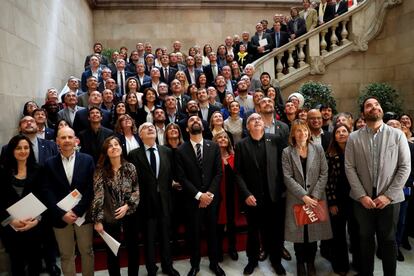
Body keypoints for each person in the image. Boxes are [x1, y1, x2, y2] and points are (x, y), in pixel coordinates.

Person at [345, 97, 411, 276]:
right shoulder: (353, 137)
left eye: (377, 104)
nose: (374, 107)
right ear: (363, 113)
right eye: (369, 105)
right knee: (365, 240)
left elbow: (405, 167)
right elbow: (349, 167)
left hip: (390, 199)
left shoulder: (397, 135)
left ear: (381, 109)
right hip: (362, 200)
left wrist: (388, 195)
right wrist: (361, 196)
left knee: (389, 241)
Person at [235, 113, 287, 275]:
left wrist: (283, 190)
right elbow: (238, 173)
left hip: (275, 196)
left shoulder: (276, 139)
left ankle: (276, 261)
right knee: (253, 231)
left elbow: (284, 166)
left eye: (259, 119)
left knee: (276, 231)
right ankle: (252, 260)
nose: (257, 121)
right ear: (247, 126)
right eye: (252, 120)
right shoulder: (241, 145)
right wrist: (246, 194)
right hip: (253, 198)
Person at [175, 115, 225, 276]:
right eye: (191, 121)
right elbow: (181, 177)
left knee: (213, 233)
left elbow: (218, 173)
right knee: (194, 234)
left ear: (203, 127)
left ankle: (214, 263)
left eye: (197, 120)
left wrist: (208, 195)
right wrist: (198, 195)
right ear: (187, 129)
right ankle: (194, 264)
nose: (195, 121)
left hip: (212, 199)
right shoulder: (180, 150)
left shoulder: (214, 146)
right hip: (192, 200)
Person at [128, 123, 180, 276]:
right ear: (140, 135)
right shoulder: (133, 154)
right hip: (145, 203)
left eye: (152, 127)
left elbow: (170, 175)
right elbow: (133, 180)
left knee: (165, 236)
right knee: (149, 238)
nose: (150, 129)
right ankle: (151, 268)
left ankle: (167, 266)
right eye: (145, 128)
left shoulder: (167, 151)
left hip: (165, 201)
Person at [43, 126, 95, 276]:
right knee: (66, 255)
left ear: (75, 140)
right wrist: (61, 213)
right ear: (57, 141)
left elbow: (91, 188)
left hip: (82, 215)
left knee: (87, 251)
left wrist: (78, 210)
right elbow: (47, 191)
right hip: (60, 218)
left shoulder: (87, 159)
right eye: (63, 137)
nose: (66, 140)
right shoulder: (49, 163)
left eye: (69, 137)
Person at [282, 119, 331, 276]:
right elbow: (287, 177)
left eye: (304, 130)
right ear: (293, 134)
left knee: (313, 234)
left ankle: (311, 262)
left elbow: (324, 173)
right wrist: (304, 196)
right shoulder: (287, 152)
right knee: (299, 235)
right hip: (297, 199)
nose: (302, 133)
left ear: (308, 132)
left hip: (316, 198)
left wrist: (314, 196)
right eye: (298, 130)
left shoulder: (318, 149)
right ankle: (300, 263)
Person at [92, 136, 140, 276]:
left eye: (116, 144)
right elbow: (98, 196)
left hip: (130, 215)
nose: (114, 147)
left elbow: (136, 190)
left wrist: (127, 206)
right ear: (106, 151)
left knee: (133, 251)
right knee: (112, 252)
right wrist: (98, 220)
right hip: (110, 217)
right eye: (110, 146)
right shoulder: (100, 171)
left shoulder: (130, 167)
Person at [0, 135, 43, 276]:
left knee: (35, 265)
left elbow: (44, 198)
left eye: (26, 147)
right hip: (11, 229)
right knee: (16, 265)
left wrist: (37, 220)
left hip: (33, 227)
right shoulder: (2, 172)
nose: (23, 151)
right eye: (18, 148)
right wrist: (11, 221)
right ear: (12, 150)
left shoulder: (38, 170)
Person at [325, 124, 357, 275]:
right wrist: (331, 202)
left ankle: (358, 263)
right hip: (337, 200)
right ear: (334, 136)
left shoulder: (356, 153)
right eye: (338, 132)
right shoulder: (330, 155)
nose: (342, 134)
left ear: (350, 134)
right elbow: (328, 182)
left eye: (345, 131)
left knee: (356, 233)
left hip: (356, 199)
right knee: (338, 235)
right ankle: (340, 265)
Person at [213, 131, 239, 262]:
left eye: (225, 137)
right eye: (219, 137)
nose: (223, 139)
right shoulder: (212, 157)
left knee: (231, 223)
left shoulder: (235, 157)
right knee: (218, 225)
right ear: (215, 141)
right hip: (217, 196)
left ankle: (232, 248)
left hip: (232, 195)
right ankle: (218, 250)